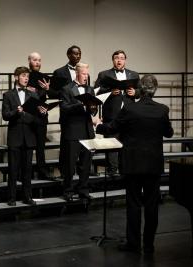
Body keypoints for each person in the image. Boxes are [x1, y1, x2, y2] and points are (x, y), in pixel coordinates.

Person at [94, 74, 174, 254]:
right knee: (152, 205)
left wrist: (98, 124)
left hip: (133, 164)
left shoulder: (130, 109)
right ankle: (149, 244)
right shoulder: (162, 110)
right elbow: (168, 133)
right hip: (153, 165)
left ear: (140, 89)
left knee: (134, 204)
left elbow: (112, 128)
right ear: (155, 89)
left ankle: (134, 243)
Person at [2, 66, 47, 206]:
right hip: (15, 136)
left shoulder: (33, 95)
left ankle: (27, 197)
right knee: (13, 169)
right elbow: (5, 115)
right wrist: (17, 111)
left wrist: (42, 113)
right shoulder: (8, 95)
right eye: (23, 76)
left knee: (27, 170)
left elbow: (36, 118)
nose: (26, 78)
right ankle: (11, 198)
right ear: (16, 77)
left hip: (29, 136)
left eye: (27, 76)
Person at [94, 50, 140, 176]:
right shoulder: (104, 74)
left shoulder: (134, 75)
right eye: (116, 58)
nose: (119, 60)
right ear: (112, 60)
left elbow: (141, 90)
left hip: (129, 116)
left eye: (121, 58)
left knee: (128, 145)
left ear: (125, 60)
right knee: (112, 145)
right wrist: (109, 91)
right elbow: (96, 92)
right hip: (111, 115)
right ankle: (112, 172)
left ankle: (126, 171)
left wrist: (135, 93)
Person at [58, 63, 96, 201]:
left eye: (87, 74)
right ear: (77, 74)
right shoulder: (66, 89)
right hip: (73, 131)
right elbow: (64, 108)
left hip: (87, 130)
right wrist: (79, 105)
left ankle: (83, 189)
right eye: (84, 74)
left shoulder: (90, 89)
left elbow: (94, 109)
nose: (86, 76)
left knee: (86, 164)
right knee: (70, 164)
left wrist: (93, 108)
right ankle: (68, 191)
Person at [27, 52, 50, 179]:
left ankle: (42, 171)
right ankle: (27, 172)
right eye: (35, 60)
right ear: (29, 61)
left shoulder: (45, 77)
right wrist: (39, 91)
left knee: (41, 147)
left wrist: (46, 89)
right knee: (28, 147)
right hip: (29, 116)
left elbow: (51, 93)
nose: (37, 63)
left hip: (41, 116)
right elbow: (26, 95)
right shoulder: (25, 76)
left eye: (39, 60)